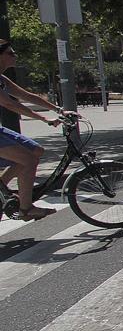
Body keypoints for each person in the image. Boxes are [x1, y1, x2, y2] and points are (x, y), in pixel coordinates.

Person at [0, 40, 65, 220]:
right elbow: (8, 103)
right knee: (28, 160)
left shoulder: (2, 78)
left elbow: (27, 96)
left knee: (36, 151)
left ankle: (1, 189)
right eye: (11, 53)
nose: (15, 56)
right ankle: (26, 209)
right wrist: (44, 118)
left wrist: (59, 110)